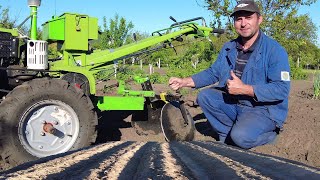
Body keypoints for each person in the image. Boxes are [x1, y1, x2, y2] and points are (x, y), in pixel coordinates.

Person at [169, 0, 290, 149]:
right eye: (239, 19)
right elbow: (213, 72)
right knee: (205, 97)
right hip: (234, 103)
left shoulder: (275, 50)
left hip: (262, 109)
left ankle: (268, 135)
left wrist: (245, 89)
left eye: (248, 17)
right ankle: (227, 137)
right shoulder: (229, 47)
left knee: (241, 137)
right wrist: (184, 81)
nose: (243, 23)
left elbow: (281, 89)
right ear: (234, 22)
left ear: (259, 19)